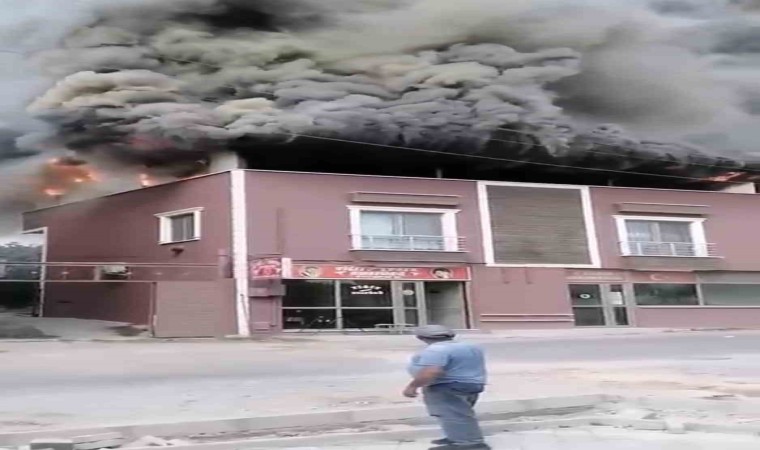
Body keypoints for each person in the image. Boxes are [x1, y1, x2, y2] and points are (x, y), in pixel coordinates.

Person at [403, 325, 489, 450]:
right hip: (473, 384)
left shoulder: (436, 349)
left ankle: (470, 443)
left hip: (448, 386)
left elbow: (432, 371)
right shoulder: (471, 346)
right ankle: (457, 437)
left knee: (454, 415)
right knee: (459, 413)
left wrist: (412, 386)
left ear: (421, 337)